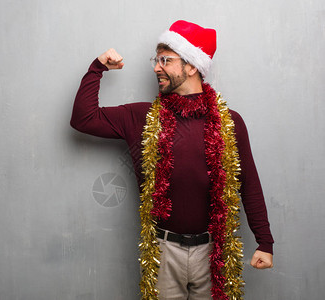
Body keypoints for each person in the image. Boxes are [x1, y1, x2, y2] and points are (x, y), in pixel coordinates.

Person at [71, 20, 274, 300]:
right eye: (156, 59)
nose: (156, 67)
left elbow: (248, 184)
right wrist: (97, 67)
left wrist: (265, 242)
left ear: (192, 66)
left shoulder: (230, 122)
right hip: (163, 252)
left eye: (166, 60)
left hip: (214, 252)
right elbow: (84, 119)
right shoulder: (141, 118)